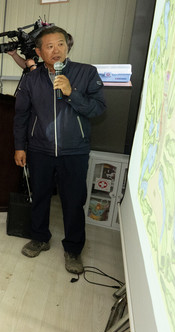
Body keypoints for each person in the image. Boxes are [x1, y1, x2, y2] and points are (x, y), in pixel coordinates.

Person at [13, 26, 106, 275]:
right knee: (40, 196)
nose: (57, 50)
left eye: (61, 44)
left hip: (74, 151)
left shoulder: (86, 73)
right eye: (50, 46)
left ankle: (73, 249)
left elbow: (98, 109)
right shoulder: (31, 79)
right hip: (39, 150)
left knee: (73, 201)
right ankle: (39, 237)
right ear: (39, 52)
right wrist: (20, 146)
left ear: (67, 46)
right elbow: (21, 116)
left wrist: (71, 93)